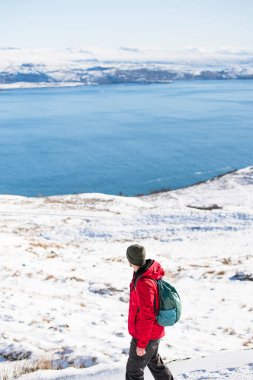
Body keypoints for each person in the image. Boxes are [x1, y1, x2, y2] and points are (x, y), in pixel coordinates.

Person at [125, 244, 174, 380]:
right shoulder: (144, 273)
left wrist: (142, 343)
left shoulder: (143, 283)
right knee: (155, 364)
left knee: (133, 372)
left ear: (130, 260)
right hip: (153, 332)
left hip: (146, 334)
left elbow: (147, 315)